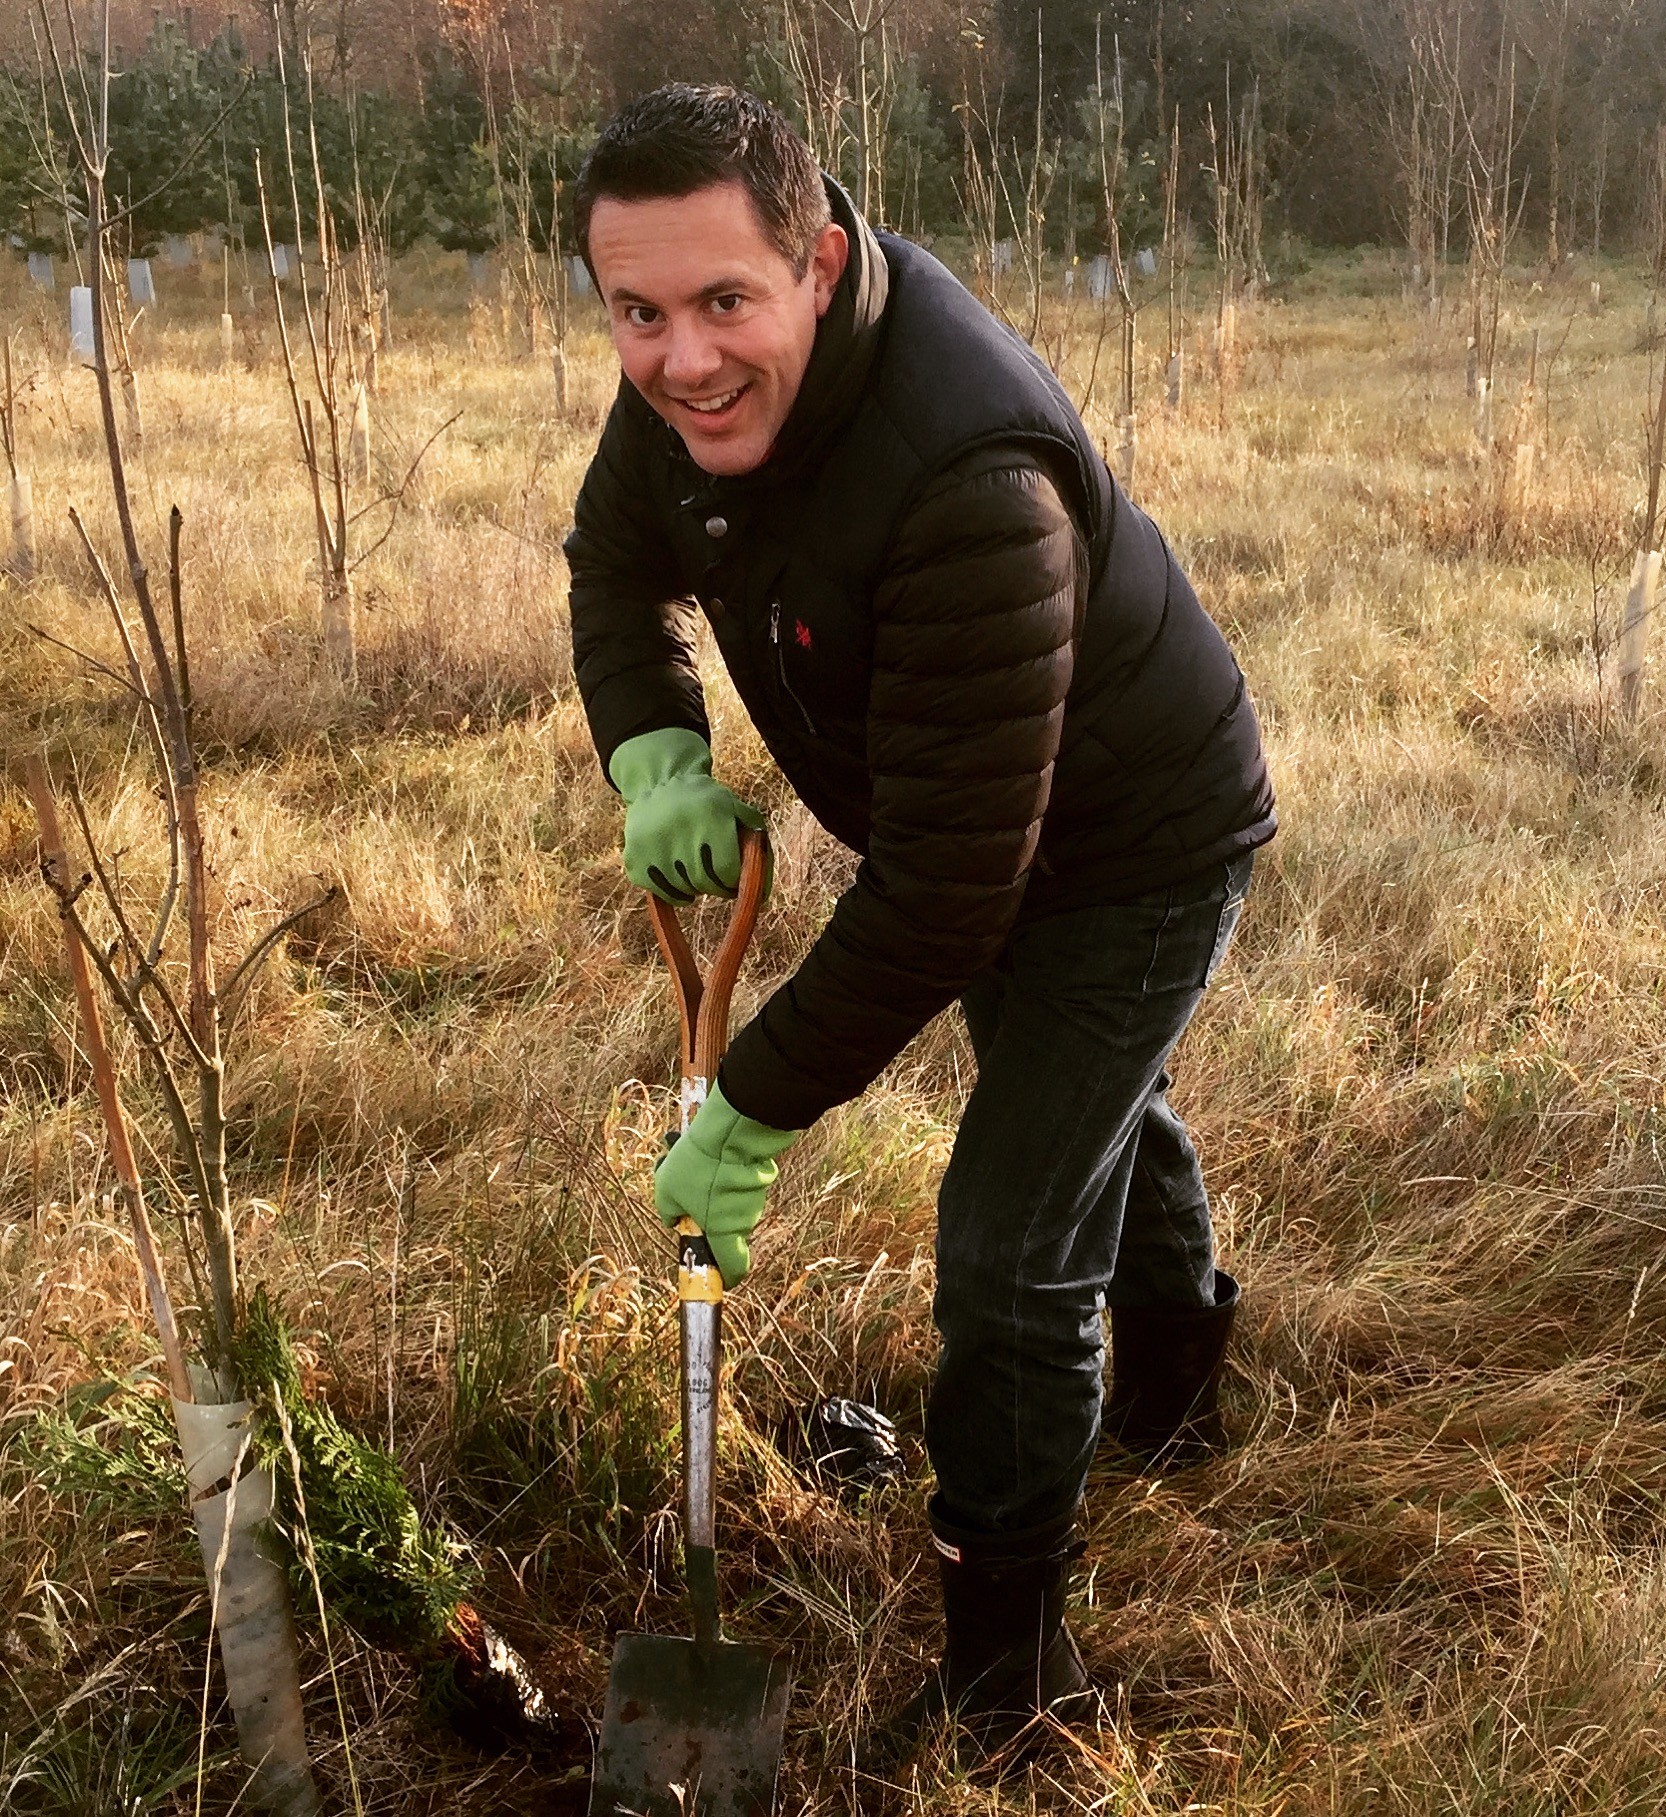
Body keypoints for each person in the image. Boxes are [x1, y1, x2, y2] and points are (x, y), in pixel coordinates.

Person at [564, 84, 1274, 1763]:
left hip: (1135, 839)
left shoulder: (970, 472)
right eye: (636, 313)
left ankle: (1010, 1671)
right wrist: (652, 740)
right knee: (1086, 1099)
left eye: (723, 302)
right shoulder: (680, 400)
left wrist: (749, 1106)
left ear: (814, 263)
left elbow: (952, 893)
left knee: (1012, 1241)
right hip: (971, 801)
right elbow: (614, 558)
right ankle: (1179, 1391)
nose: (680, 359)